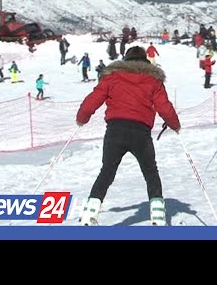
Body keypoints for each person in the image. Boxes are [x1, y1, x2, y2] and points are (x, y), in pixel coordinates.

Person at [76, 46, 181, 226]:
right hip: (141, 133)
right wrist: (174, 124)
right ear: (145, 63)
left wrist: (82, 118)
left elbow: (92, 99)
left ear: (125, 61)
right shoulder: (153, 81)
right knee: (150, 172)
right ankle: (157, 215)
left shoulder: (112, 78)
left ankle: (89, 214)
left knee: (107, 171)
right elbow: (164, 107)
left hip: (115, 130)